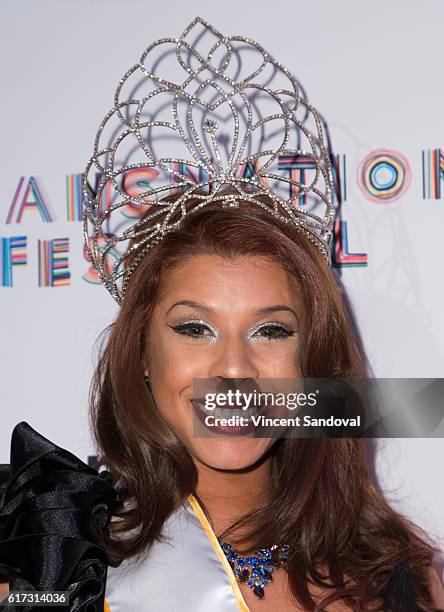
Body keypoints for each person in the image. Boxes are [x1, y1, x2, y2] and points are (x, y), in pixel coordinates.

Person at [1, 16, 444, 612]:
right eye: (193, 328)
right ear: (141, 356)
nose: (235, 368)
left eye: (271, 330)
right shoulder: (50, 560)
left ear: (312, 364)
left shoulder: (409, 580)